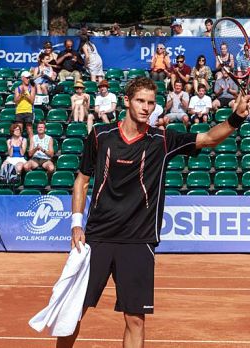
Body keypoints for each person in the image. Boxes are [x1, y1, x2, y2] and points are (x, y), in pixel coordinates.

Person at [56, 77, 250, 348]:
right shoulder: (100, 135)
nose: (146, 107)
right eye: (140, 101)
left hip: (138, 240)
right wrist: (77, 224)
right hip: (97, 238)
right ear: (127, 101)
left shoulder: (162, 139)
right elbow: (82, 180)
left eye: (151, 102)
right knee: (73, 312)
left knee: (135, 319)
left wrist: (235, 119)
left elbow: (207, 139)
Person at [14, 71, 36, 140]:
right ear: (23, 78)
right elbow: (16, 101)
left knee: (29, 130)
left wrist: (25, 93)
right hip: (19, 111)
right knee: (19, 130)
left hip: (28, 111)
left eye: (29, 78)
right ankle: (19, 147)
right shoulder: (17, 89)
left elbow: (32, 101)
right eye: (27, 78)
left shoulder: (32, 88)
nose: (28, 79)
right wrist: (21, 94)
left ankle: (32, 146)